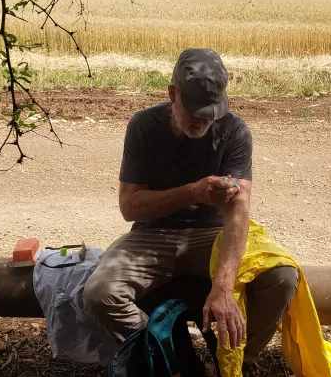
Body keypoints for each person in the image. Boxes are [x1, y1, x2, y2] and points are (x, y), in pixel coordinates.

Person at [83, 48, 299, 372]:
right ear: (172, 93)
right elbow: (129, 207)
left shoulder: (235, 131)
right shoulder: (144, 126)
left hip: (211, 235)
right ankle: (164, 354)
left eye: (212, 112)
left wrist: (223, 288)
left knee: (282, 277)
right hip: (153, 233)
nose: (204, 120)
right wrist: (194, 192)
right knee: (100, 293)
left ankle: (238, 361)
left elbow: (238, 211)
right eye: (196, 111)